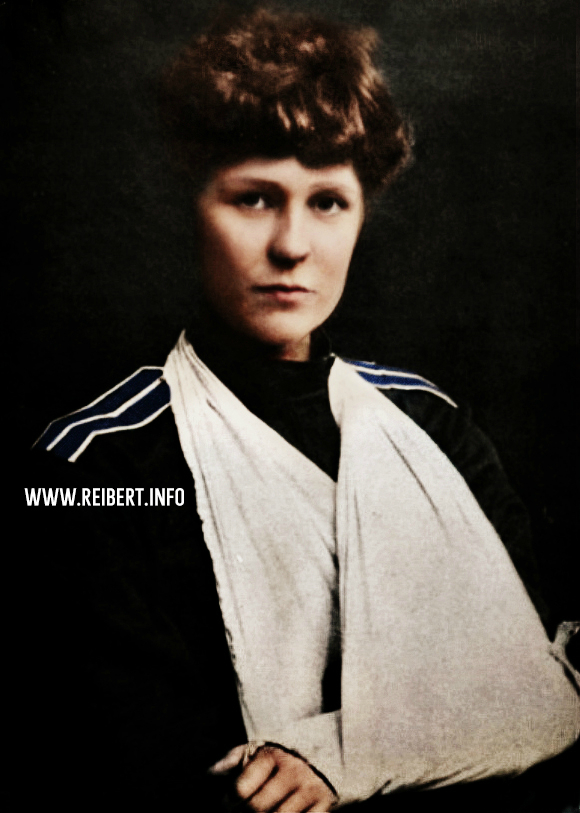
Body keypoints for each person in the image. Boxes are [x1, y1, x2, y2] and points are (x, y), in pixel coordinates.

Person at [23, 7, 578, 812]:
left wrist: (339, 755)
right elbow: (149, 772)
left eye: (328, 203)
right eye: (254, 199)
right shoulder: (94, 465)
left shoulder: (432, 425)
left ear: (361, 216)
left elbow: (538, 691)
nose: (292, 245)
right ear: (190, 205)